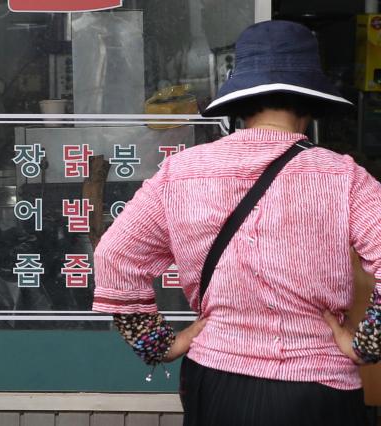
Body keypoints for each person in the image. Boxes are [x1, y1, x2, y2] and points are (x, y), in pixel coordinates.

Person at [92, 20, 381, 426]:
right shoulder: (344, 177)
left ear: (239, 103)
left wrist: (157, 343)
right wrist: (365, 346)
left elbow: (114, 255)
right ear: (311, 103)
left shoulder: (182, 172)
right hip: (319, 388)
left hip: (216, 382)